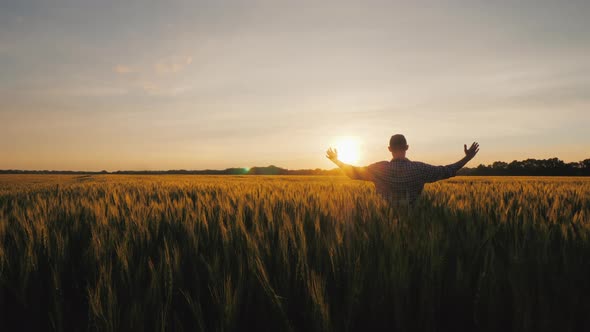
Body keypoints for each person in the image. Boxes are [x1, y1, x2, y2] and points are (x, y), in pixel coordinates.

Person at [326, 134, 479, 205]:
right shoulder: (419, 169)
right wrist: (467, 158)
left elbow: (353, 172)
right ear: (406, 147)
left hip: (385, 223)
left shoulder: (379, 169)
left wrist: (336, 160)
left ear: (389, 149)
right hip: (415, 223)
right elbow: (447, 171)